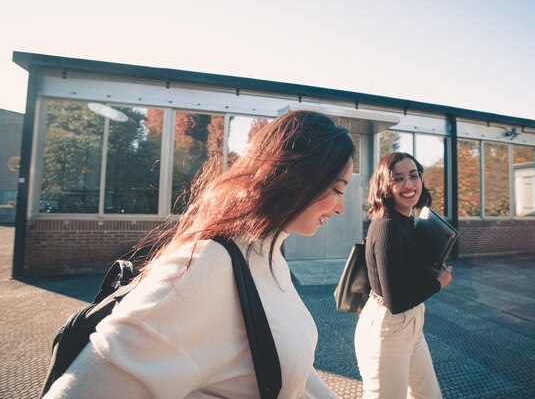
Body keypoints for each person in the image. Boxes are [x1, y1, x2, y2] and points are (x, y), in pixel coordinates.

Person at [43, 110, 354, 399]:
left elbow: (293, 369)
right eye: (338, 189)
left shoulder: (268, 256)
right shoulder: (204, 268)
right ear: (297, 175)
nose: (341, 207)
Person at [354, 152, 453, 399]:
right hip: (388, 331)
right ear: (384, 185)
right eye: (397, 178)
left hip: (412, 327)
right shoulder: (386, 225)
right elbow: (396, 301)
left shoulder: (407, 220)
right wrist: (438, 283)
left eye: (413, 175)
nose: (408, 185)